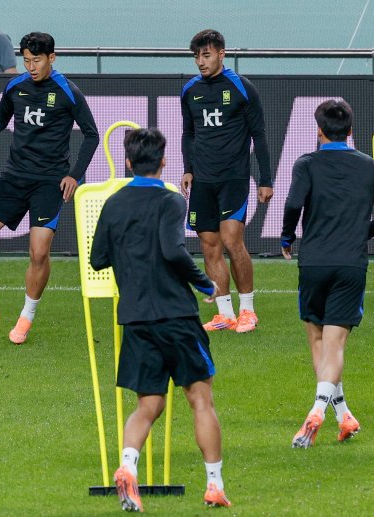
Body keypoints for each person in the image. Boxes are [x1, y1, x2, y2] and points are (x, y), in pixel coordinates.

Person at [90, 128, 231, 512]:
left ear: (129, 162)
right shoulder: (171, 200)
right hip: (176, 315)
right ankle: (214, 485)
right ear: (164, 161)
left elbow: (97, 258)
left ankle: (127, 466)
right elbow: (173, 249)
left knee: (148, 404)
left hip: (135, 318)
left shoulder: (113, 203)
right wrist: (204, 284)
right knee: (201, 400)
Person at [0, 32, 99, 344]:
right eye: (27, 60)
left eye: (37, 60)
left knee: (39, 252)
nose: (31, 66)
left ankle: (26, 316)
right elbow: (0, 119)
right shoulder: (16, 86)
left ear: (52, 58)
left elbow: (91, 134)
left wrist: (74, 175)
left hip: (49, 183)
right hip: (13, 177)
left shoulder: (67, 91)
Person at [281, 100, 374, 448]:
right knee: (335, 343)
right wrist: (361, 231)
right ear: (350, 132)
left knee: (317, 339)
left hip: (314, 261)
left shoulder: (306, 164)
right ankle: (330, 411)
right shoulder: (369, 166)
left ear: (318, 131)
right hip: (350, 263)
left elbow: (292, 205)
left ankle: (334, 413)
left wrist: (287, 238)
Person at [180, 29, 273, 334]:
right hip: (203, 181)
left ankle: (248, 310)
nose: (200, 62)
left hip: (233, 178)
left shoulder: (242, 88)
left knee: (232, 241)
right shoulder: (190, 91)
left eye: (206, 55)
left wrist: (265, 180)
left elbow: (258, 135)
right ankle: (224, 314)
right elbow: (189, 133)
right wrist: (188, 168)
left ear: (222, 53)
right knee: (208, 246)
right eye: (196, 56)